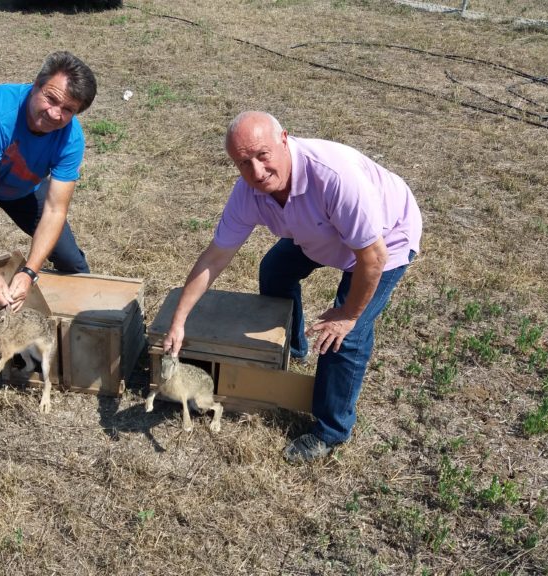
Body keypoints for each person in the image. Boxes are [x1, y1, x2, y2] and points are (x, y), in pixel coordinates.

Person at [163, 111, 422, 463]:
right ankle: (294, 345)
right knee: (275, 270)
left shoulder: (333, 177)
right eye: (243, 162)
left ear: (284, 139)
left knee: (344, 339)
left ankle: (331, 430)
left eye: (262, 155)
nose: (256, 172)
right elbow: (214, 258)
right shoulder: (249, 193)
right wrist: (179, 320)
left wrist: (347, 316)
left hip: (386, 240)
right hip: (322, 231)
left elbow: (372, 258)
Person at [0, 51, 97, 391]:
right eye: (51, 99)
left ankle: (80, 329)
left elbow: (55, 210)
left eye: (68, 110)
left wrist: (29, 272)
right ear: (36, 86)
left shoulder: (72, 139)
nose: (55, 114)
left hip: (24, 183)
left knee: (70, 258)